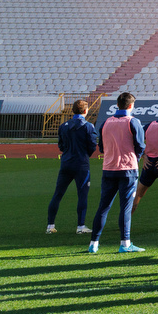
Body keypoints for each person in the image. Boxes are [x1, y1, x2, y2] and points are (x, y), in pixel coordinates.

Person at [88, 92, 146, 254]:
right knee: (125, 207)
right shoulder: (133, 122)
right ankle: (125, 243)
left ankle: (93, 243)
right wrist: (135, 156)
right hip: (127, 169)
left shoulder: (106, 122)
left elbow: (102, 147)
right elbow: (140, 146)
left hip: (109, 168)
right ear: (130, 106)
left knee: (103, 206)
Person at [47, 100, 98, 235]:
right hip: (81, 164)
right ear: (86, 111)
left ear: (73, 111)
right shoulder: (88, 126)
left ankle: (50, 225)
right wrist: (85, 154)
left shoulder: (64, 126)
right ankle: (81, 226)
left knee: (58, 194)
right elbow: (92, 145)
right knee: (82, 195)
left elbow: (61, 145)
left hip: (66, 163)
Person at [132, 103, 158, 209]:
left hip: (149, 163)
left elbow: (136, 141)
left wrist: (144, 155)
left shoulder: (149, 125)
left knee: (138, 194)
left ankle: (126, 220)